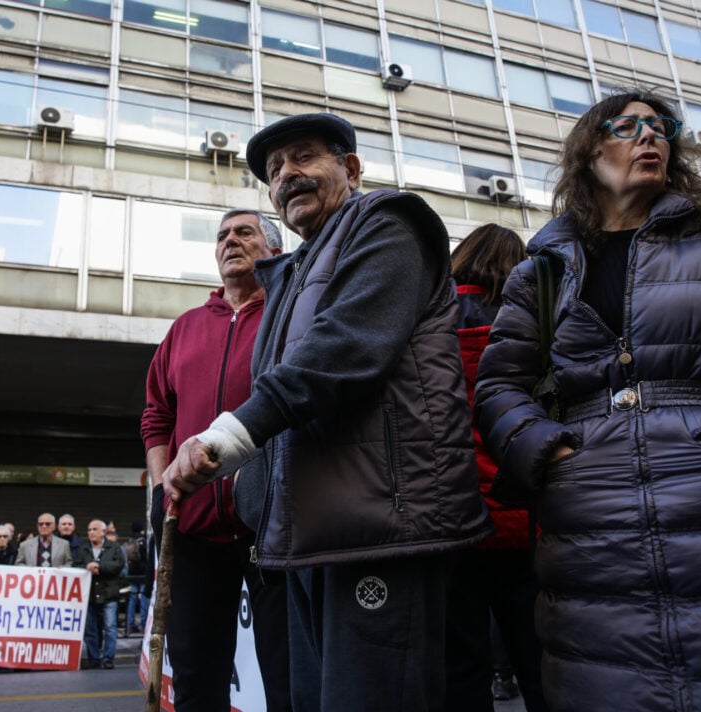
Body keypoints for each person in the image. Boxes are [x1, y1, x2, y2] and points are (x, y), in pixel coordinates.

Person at [162, 113, 492, 710]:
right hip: (311, 535)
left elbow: (342, 350)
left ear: (351, 168)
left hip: (383, 528)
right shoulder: (291, 271)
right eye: (274, 170)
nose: (287, 175)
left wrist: (225, 440)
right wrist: (253, 499)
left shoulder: (387, 222)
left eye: (304, 157)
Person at [474, 89, 701, 711]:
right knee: (605, 681)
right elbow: (499, 387)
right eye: (628, 126)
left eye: (661, 127)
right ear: (588, 153)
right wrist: (553, 454)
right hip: (589, 511)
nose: (651, 135)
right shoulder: (542, 271)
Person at [142, 207, 291, 711]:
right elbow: (156, 415)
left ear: (273, 249)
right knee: (196, 678)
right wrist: (162, 489)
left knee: (289, 678)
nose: (230, 241)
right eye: (222, 235)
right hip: (192, 530)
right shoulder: (184, 328)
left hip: (273, 528)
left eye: (244, 232)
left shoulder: (288, 314)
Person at [442, 224, 548, 712]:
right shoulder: (535, 320)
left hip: (455, 517)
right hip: (525, 518)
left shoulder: (432, 320)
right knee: (540, 659)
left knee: (462, 667)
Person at [76, 519, 125, 669]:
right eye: (89, 530)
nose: (91, 532)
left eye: (94, 529)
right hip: (89, 595)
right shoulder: (83, 549)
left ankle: (108, 658)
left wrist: (99, 566)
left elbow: (118, 564)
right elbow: (75, 565)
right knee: (90, 629)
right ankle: (94, 658)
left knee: (110, 627)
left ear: (103, 532)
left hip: (109, 594)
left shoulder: (114, 547)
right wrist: (86, 567)